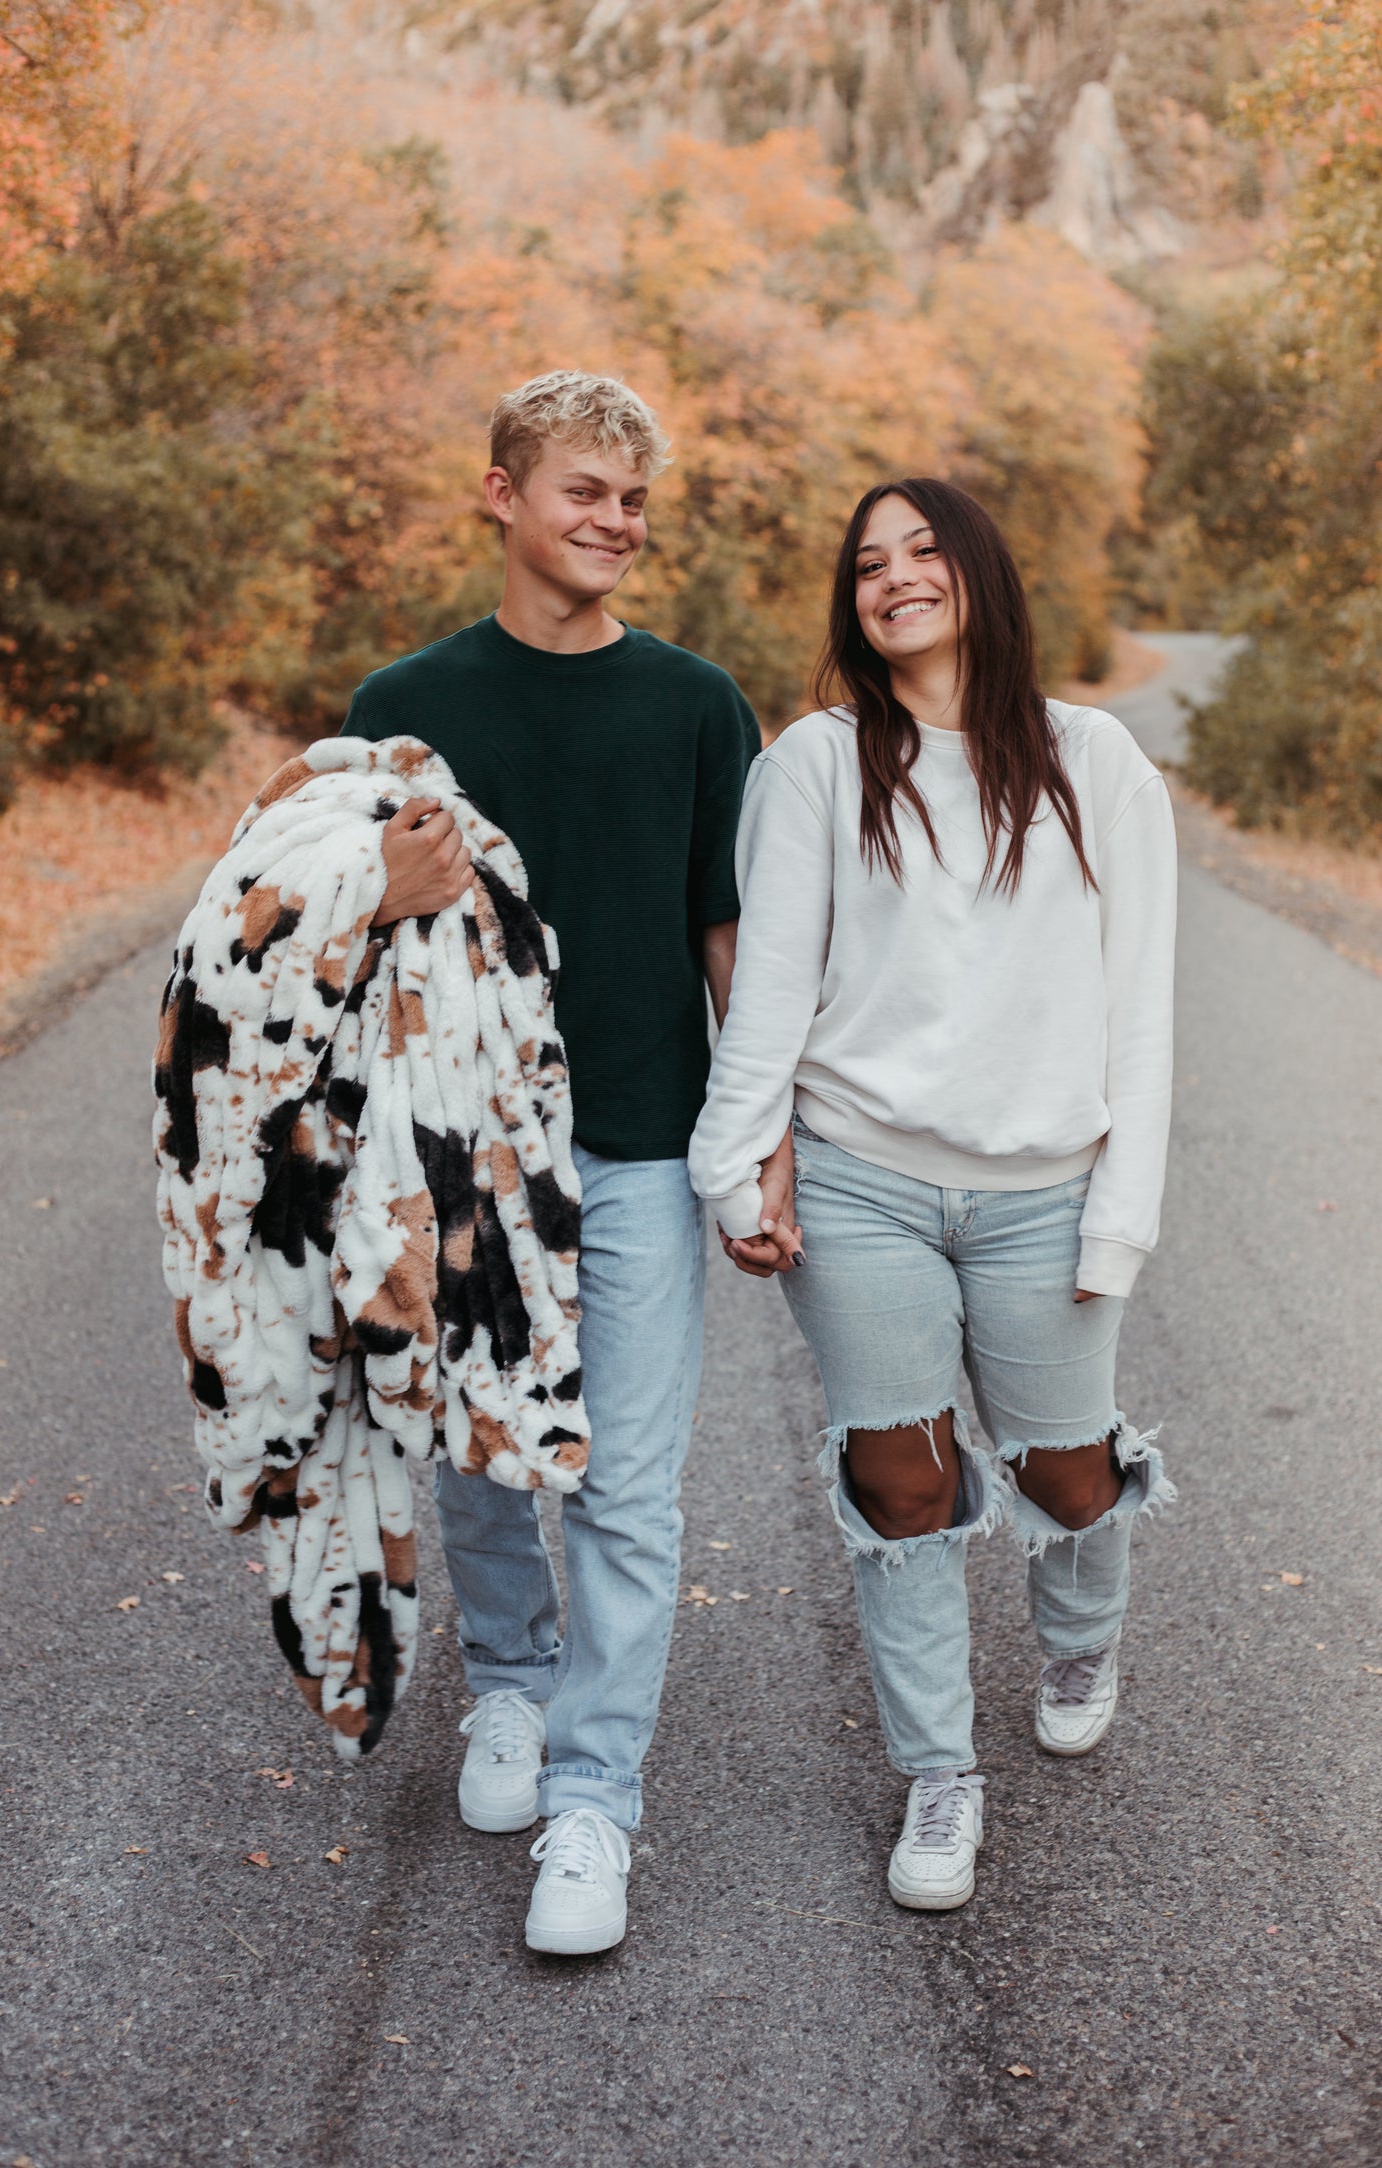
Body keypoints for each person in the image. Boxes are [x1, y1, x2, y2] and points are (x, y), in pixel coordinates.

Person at [688, 478, 1177, 1911]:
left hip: (1046, 1188)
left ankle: (1079, 1630)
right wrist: (737, 1167)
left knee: (1060, 1468)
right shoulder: (817, 765)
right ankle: (938, 1777)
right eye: (864, 565)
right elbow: (768, 996)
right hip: (862, 1182)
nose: (890, 577)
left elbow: (1138, 1011)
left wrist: (1119, 1216)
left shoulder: (1095, 761)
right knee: (897, 1480)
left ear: (975, 572)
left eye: (918, 551)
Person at [342, 370, 759, 1953]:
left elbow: (727, 935)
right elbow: (335, 947)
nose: (616, 523)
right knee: (478, 1443)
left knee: (630, 1488)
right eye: (585, 491)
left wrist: (753, 1145)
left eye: (635, 501)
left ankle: (596, 1799)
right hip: (459, 1145)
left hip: (644, 1140)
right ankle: (508, 1687)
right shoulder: (406, 699)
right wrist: (383, 892)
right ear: (501, 496)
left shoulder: (698, 705)